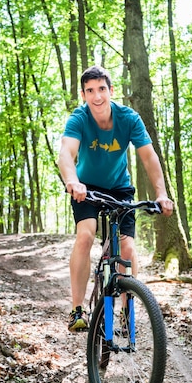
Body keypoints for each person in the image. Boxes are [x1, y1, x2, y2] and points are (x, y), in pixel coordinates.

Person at [58, 65, 174, 331]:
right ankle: (77, 310)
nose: (97, 96)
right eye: (90, 91)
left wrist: (162, 194)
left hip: (120, 189)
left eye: (101, 89)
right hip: (85, 187)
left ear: (111, 91)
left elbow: (149, 156)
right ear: (83, 94)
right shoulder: (79, 118)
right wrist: (72, 181)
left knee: (128, 249)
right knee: (86, 236)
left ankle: (125, 310)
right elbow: (66, 153)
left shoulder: (129, 118)